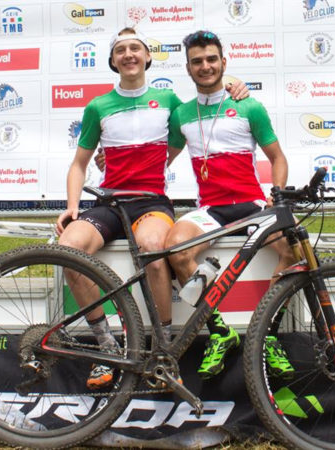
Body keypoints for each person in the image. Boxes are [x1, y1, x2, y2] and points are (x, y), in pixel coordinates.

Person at [56, 27, 248, 390]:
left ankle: (163, 349)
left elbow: (206, 101)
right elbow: (79, 164)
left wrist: (234, 83)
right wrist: (71, 207)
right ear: (113, 61)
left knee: (155, 250)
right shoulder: (98, 106)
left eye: (136, 48)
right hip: (110, 202)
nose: (128, 54)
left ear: (147, 57)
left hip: (151, 202)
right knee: (69, 250)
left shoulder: (169, 100)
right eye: (121, 50)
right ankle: (106, 345)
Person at [165, 30, 296, 380]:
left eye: (211, 59)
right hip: (211, 208)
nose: (205, 66)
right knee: (175, 249)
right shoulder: (181, 114)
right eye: (197, 61)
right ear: (188, 68)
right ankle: (220, 331)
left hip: (252, 205)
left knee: (294, 248)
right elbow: (159, 160)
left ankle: (268, 333)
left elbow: (277, 158)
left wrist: (277, 194)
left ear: (224, 62)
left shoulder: (249, 106)